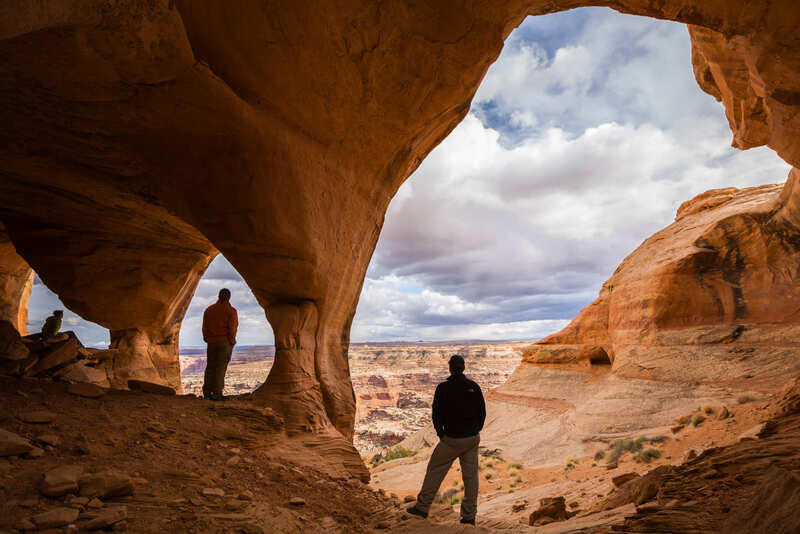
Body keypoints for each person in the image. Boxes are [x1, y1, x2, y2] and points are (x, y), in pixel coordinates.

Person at [407, 354, 486, 526]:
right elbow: (482, 413)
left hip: (452, 439)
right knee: (471, 478)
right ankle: (469, 517)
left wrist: (441, 434)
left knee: (435, 470)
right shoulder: (474, 386)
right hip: (472, 438)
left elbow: (436, 414)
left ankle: (422, 508)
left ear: (450, 368)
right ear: (463, 368)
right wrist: (475, 430)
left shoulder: (443, 388)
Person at [201, 288, 238, 400]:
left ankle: (207, 393)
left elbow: (204, 327)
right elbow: (232, 328)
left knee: (210, 367)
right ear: (229, 297)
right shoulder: (231, 311)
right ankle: (217, 393)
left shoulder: (209, 310)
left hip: (211, 342)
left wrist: (207, 338)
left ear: (218, 296)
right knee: (220, 368)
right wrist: (232, 342)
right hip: (224, 342)